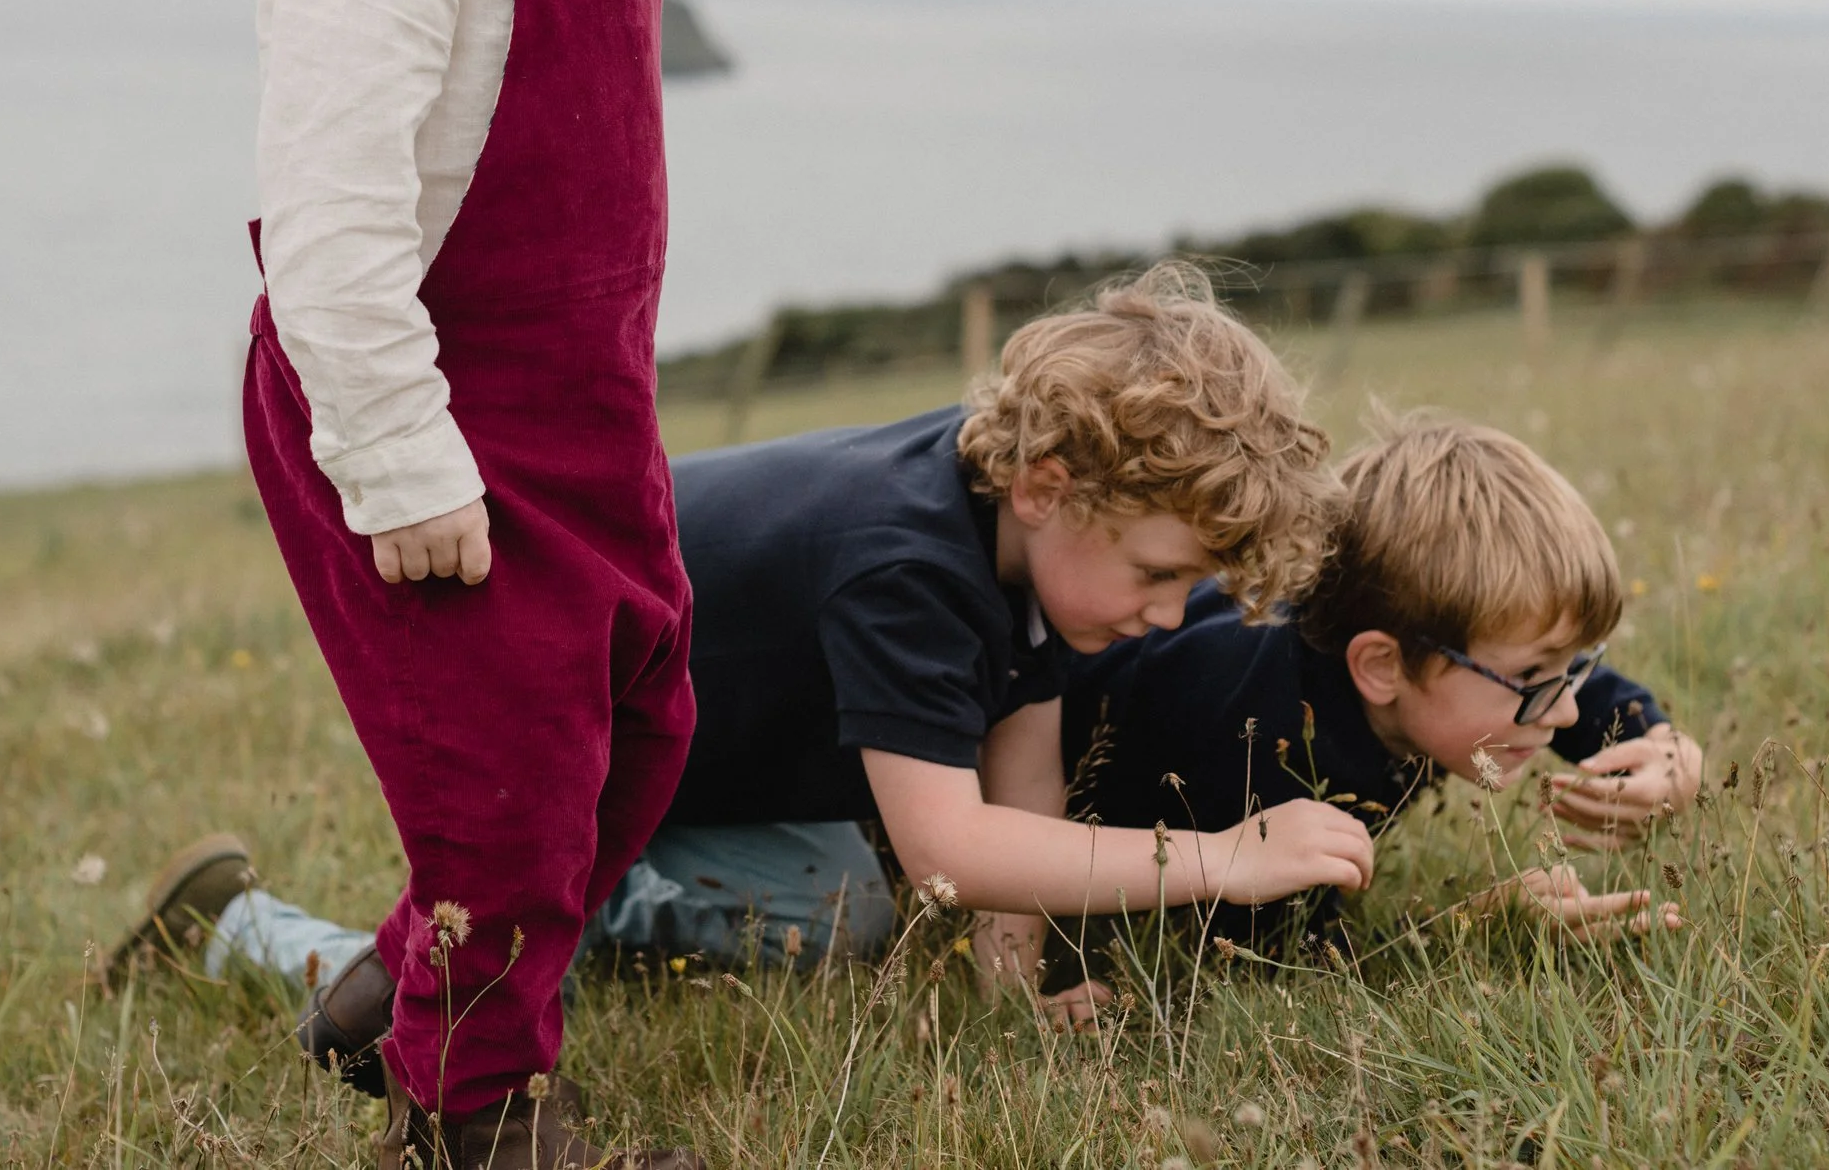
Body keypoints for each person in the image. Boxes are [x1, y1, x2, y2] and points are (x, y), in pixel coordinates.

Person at [167, 0, 884, 1164]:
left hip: (580, 419)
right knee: (507, 799)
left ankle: (384, 990)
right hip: (428, 425)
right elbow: (331, 232)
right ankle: (473, 1114)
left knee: (643, 730)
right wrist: (405, 464)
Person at [114, 269, 1363, 1084]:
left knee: (841, 885)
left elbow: (1019, 763)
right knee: (812, 908)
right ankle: (244, 927)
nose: (1163, 615)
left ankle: (549, 907)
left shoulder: (1023, 536)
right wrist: (1225, 856)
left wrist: (1010, 982)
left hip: (672, 765)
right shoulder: (908, 556)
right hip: (545, 738)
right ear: (1050, 487)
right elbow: (947, 849)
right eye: (1158, 573)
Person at [1051, 408, 1702, 976]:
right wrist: (1479, 922)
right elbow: (1274, 954)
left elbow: (1579, 685)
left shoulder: (1407, 640)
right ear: (1382, 667)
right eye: (1533, 679)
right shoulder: (1262, 742)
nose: (1564, 708)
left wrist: (1663, 746)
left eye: (1572, 668)